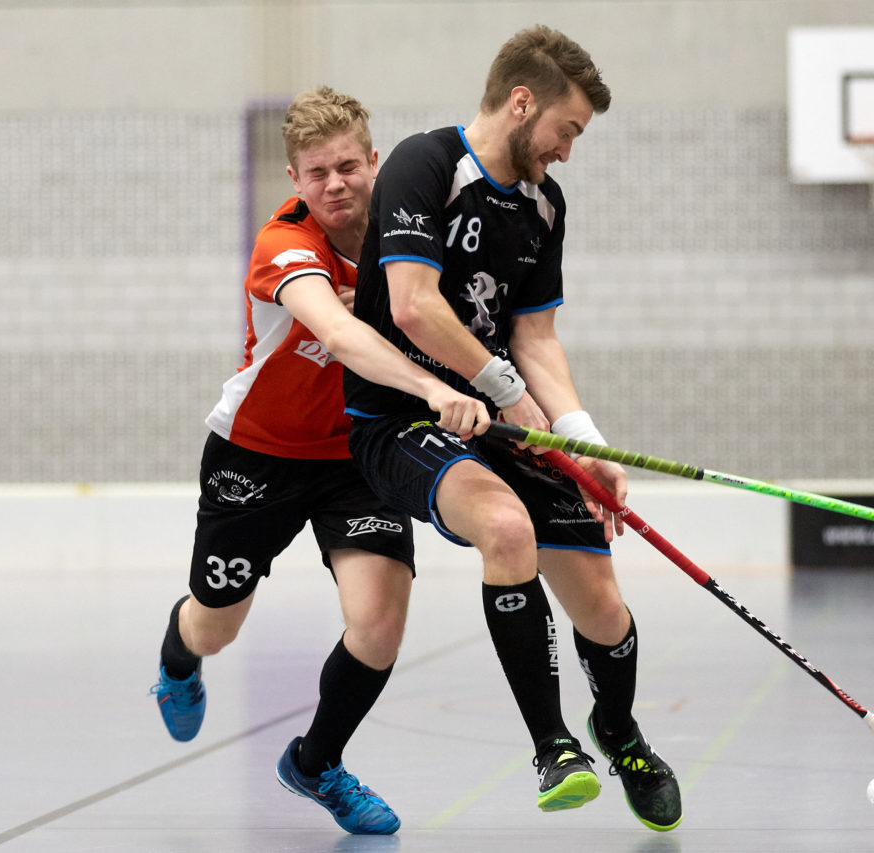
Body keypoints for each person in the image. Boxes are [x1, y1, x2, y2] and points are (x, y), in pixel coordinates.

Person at [342, 25, 682, 832]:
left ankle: (621, 731)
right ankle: (554, 747)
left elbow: (535, 337)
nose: (568, 149)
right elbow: (412, 304)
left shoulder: (543, 205)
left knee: (602, 607)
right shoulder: (425, 166)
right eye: (567, 129)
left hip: (505, 420)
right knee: (505, 527)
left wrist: (581, 437)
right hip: (401, 417)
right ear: (522, 103)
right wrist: (502, 390)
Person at [149, 87, 490, 836]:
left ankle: (316, 760)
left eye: (347, 165)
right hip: (258, 454)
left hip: (359, 453)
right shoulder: (285, 244)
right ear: (295, 181)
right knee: (216, 626)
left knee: (379, 622)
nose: (334, 183)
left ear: (374, 161)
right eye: (315, 172)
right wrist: (435, 388)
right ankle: (177, 657)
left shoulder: (411, 239)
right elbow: (337, 333)